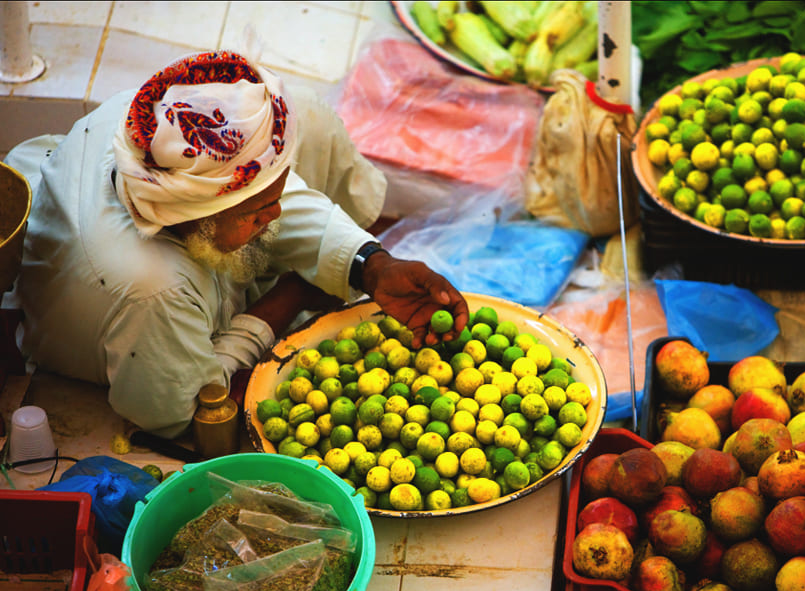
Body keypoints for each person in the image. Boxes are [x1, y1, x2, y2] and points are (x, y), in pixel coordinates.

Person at [1, 50, 468, 439]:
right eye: (259, 213)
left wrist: (371, 264)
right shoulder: (154, 291)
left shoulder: (155, 133)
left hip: (149, 265)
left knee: (312, 115)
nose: (276, 215)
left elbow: (271, 195)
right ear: (198, 219)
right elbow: (185, 412)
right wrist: (289, 298)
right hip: (118, 340)